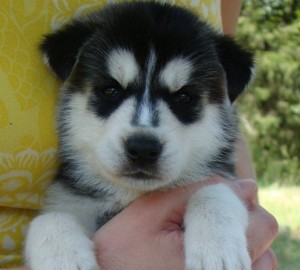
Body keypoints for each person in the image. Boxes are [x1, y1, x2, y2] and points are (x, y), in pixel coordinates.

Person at [0, 0, 278, 269]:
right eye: (110, 91)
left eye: (183, 98)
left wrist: (219, 207)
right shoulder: (72, 198)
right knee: (51, 226)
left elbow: (233, 192)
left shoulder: (211, 192)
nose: (144, 130)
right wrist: (51, 234)